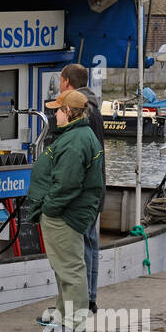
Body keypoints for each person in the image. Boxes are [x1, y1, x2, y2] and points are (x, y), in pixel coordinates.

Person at [27, 89, 104, 332]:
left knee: (70, 268)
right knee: (64, 267)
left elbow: (67, 184)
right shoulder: (79, 135)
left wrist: (49, 207)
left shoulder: (74, 140)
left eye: (58, 110)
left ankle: (74, 324)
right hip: (67, 212)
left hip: (64, 214)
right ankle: (64, 315)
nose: (54, 114)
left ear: (69, 112)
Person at [59, 63, 105, 313]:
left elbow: (81, 156)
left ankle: (84, 299)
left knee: (81, 246)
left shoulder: (83, 111)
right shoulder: (94, 108)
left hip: (85, 192)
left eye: (60, 80)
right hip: (95, 189)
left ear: (67, 82)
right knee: (90, 243)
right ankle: (89, 297)